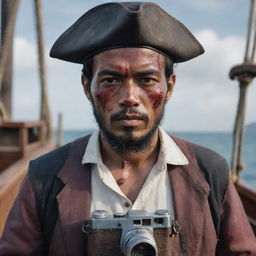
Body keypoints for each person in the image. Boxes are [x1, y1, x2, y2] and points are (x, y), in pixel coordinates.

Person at [0, 2, 255, 256]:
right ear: (86, 86)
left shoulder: (210, 172)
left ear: (170, 87)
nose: (130, 97)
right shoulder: (45, 176)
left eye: (147, 80)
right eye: (110, 80)